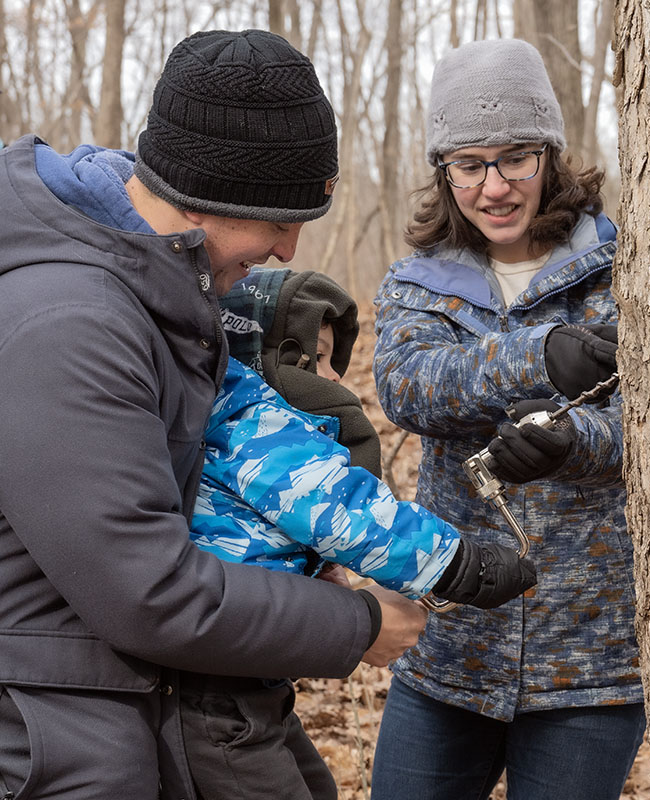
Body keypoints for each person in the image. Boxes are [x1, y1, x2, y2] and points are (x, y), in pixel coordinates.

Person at [0, 29, 422, 800]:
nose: (291, 250)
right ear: (223, 195)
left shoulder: (160, 294)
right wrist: (354, 625)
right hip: (60, 746)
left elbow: (189, 493)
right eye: (282, 218)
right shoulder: (72, 322)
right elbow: (149, 590)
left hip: (146, 712)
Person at [369, 38, 645, 800]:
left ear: (550, 155)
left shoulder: (626, 269)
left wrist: (569, 442)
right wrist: (540, 357)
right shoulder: (419, 284)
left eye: (516, 157)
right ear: (444, 171)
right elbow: (408, 387)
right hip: (449, 650)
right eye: (469, 164)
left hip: (590, 665)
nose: (494, 186)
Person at [181, 266, 536, 797]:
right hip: (219, 694)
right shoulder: (249, 425)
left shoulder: (235, 415)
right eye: (316, 359)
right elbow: (347, 512)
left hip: (251, 681)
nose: (336, 379)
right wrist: (459, 565)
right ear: (264, 358)